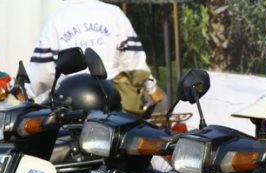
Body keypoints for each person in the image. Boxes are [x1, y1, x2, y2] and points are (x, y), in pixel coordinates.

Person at [28, 0, 164, 113]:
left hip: (70, 105)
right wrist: (152, 88)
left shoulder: (56, 20)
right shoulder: (114, 14)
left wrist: (26, 92)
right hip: (112, 100)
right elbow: (134, 61)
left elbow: (42, 73)